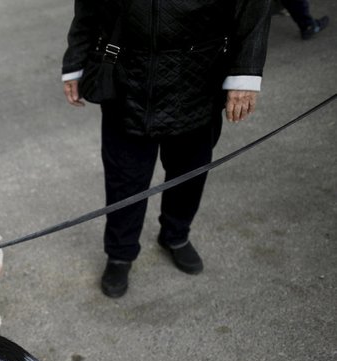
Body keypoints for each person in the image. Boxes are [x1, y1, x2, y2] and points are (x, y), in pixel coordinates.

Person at [62, 0, 270, 298]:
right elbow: (87, 6)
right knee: (125, 179)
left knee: (189, 172)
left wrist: (246, 73)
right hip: (125, 76)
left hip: (198, 76)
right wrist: (74, 61)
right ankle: (120, 253)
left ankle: (176, 235)